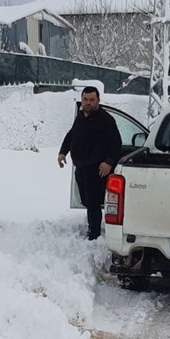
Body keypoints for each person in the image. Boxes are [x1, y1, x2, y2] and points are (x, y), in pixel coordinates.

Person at [57, 86, 122, 241]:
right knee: (86, 201)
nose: (88, 103)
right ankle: (93, 228)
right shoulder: (80, 117)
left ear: (98, 101)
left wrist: (108, 162)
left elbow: (116, 143)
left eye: (92, 100)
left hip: (97, 170)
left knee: (93, 202)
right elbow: (71, 135)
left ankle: (94, 235)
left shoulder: (105, 120)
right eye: (85, 99)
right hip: (81, 168)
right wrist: (62, 152)